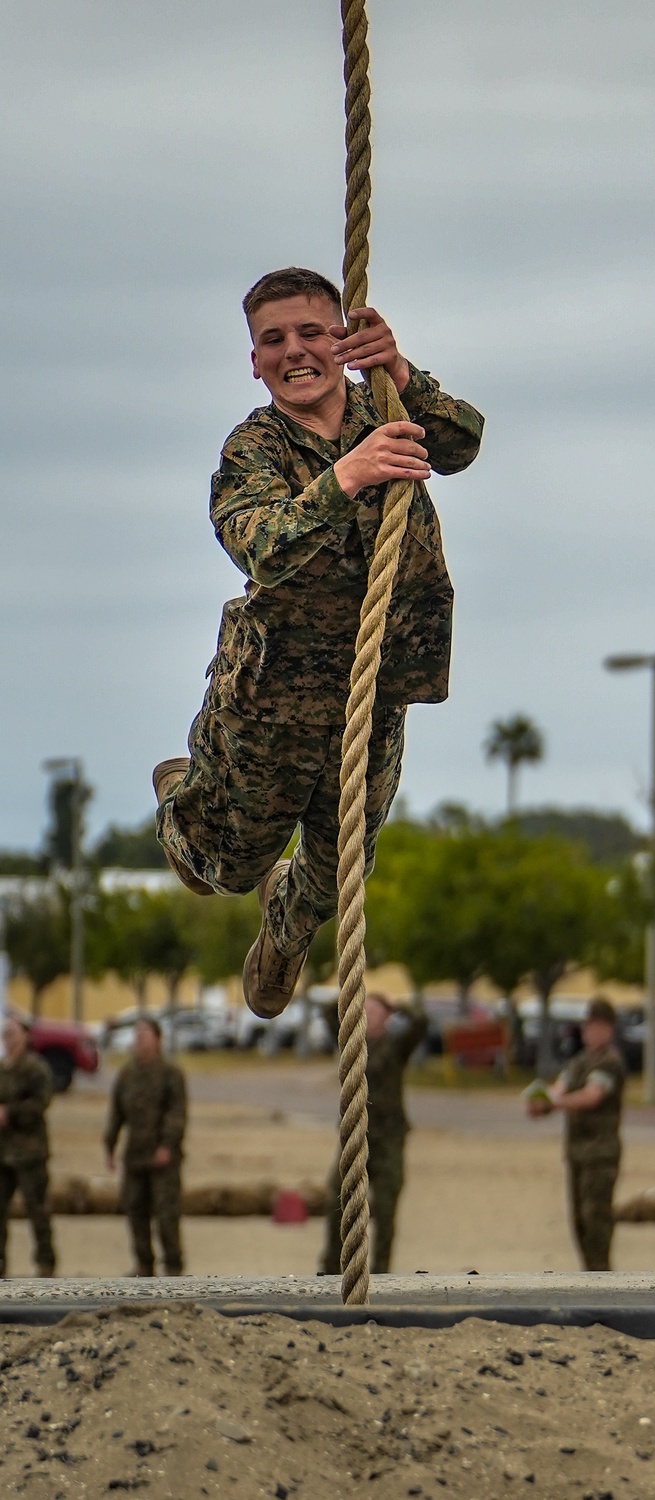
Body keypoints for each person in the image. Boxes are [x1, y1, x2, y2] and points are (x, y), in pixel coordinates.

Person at [153, 266, 484, 1020]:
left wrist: (400, 370)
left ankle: (285, 932)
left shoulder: (389, 410)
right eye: (273, 340)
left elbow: (463, 443)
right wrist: (347, 476)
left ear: (341, 338)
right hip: (276, 696)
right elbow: (259, 545)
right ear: (255, 360)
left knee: (343, 870)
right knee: (229, 866)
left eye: (310, 331)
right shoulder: (254, 448)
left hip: (377, 683)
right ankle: (181, 797)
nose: (294, 351)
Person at [319, 992, 428, 1276]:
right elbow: (328, 1011)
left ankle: (381, 1270)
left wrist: (397, 1005)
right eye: (365, 1011)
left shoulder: (395, 1047)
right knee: (336, 1199)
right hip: (355, 1136)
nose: (370, 1016)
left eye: (376, 1012)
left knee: (387, 1207)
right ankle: (331, 1265)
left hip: (388, 1139)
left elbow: (421, 1022)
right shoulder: (351, 1045)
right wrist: (351, 1000)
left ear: (387, 1017)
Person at [526, 996, 626, 1272]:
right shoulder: (580, 1061)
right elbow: (560, 1089)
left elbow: (592, 1096)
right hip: (578, 1151)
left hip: (600, 1152)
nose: (587, 1032)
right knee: (579, 1221)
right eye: (586, 1026)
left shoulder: (609, 1061)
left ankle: (601, 1278)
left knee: (596, 1219)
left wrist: (554, 1103)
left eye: (593, 1026)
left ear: (607, 1028)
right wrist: (541, 1104)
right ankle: (589, 1275)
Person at [104, 1017, 188, 1277]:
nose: (139, 1038)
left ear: (157, 1039)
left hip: (161, 1157)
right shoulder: (127, 1074)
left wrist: (167, 1145)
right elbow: (117, 1112)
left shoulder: (170, 1073)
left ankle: (173, 1266)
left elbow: (177, 1113)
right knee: (135, 1210)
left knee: (166, 1215)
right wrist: (110, 1145)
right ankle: (143, 1264)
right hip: (135, 1155)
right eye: (136, 1033)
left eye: (144, 1033)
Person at [0, 1015, 56, 1278]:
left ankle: (45, 1264)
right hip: (3, 1153)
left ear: (25, 1035)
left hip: (29, 1151)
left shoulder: (35, 1069)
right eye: (4, 1032)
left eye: (12, 1032)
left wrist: (10, 1113)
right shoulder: (2, 1068)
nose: (7, 1037)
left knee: (37, 1210)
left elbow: (41, 1102)